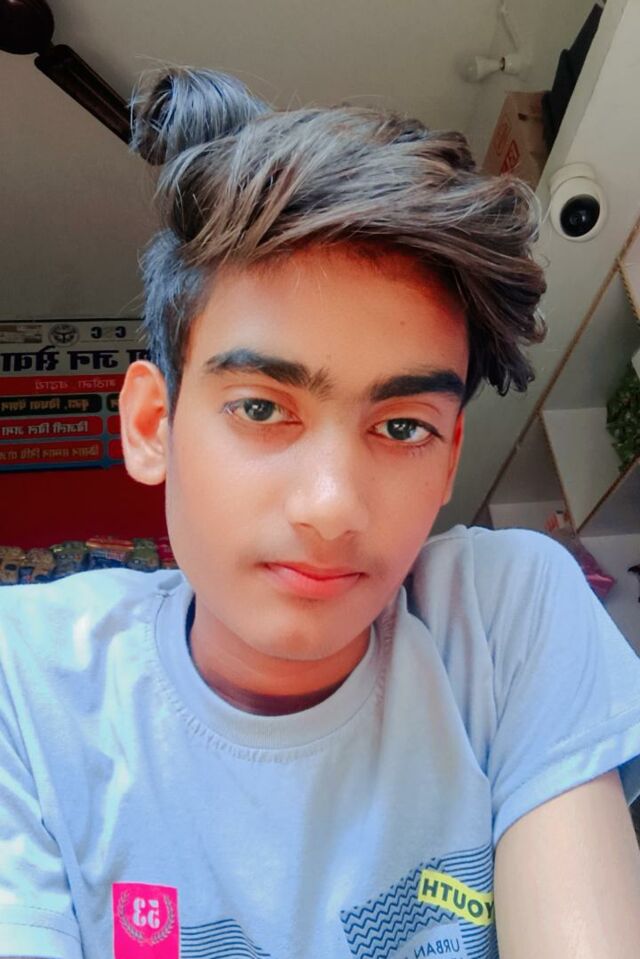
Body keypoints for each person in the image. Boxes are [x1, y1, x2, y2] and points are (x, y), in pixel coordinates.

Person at [1, 67, 640, 959]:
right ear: (152, 425)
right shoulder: (25, 684)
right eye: (262, 408)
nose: (333, 506)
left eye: (403, 427)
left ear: (450, 458)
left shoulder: (505, 618)